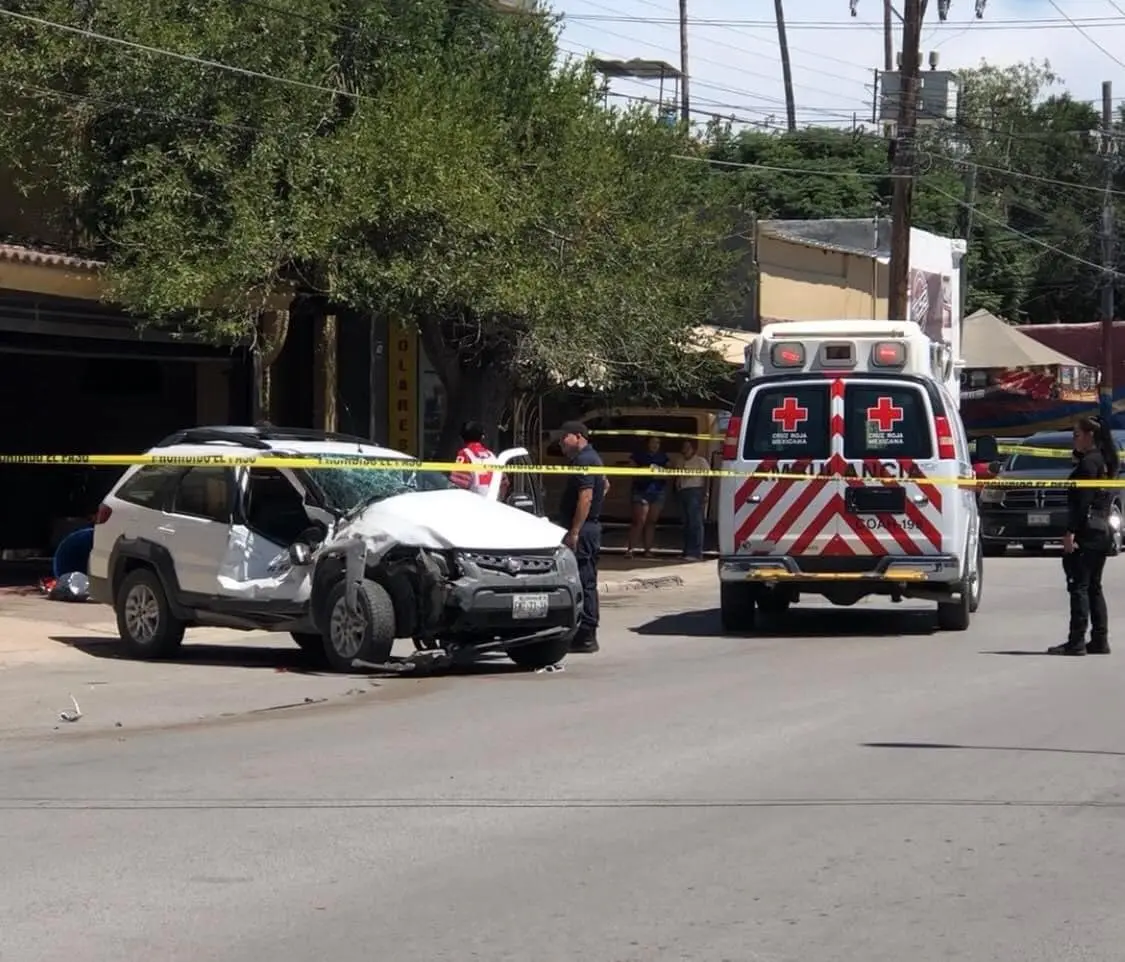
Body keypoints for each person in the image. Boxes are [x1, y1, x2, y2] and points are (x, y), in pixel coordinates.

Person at [1048, 414, 1118, 656]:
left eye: (1076, 435)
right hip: (1102, 529)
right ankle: (1099, 639)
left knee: (1079, 586)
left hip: (1087, 531)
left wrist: (1070, 533)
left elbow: (1082, 503)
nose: (1073, 440)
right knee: (1094, 587)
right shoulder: (1105, 461)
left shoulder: (1089, 464)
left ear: (1090, 436)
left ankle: (1076, 641)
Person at [558, 420, 606, 654]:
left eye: (564, 437)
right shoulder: (592, 457)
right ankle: (583, 631)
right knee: (585, 579)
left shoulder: (585, 460)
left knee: (584, 579)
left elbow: (586, 497)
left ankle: (586, 633)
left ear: (578, 436)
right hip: (590, 526)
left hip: (584, 530)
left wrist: (575, 530)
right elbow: (606, 485)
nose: (560, 442)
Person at [626, 435, 669, 557]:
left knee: (651, 522)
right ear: (648, 443)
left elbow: (669, 472)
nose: (655, 445)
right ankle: (630, 549)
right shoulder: (639, 455)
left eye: (658, 443)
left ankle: (648, 550)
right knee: (639, 521)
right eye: (653, 442)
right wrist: (645, 470)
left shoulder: (663, 457)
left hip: (657, 491)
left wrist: (660, 473)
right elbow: (631, 468)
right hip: (641, 490)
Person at [676, 439, 709, 561]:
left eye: (688, 447)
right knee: (685, 523)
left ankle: (696, 552)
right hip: (683, 491)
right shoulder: (680, 461)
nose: (685, 449)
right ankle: (686, 551)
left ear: (693, 449)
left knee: (695, 523)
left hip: (695, 491)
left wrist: (705, 493)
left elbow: (707, 478)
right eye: (684, 447)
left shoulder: (701, 461)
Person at [450, 421, 496, 496]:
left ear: (462, 437)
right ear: (482, 437)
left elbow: (458, 484)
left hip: (473, 503)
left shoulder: (464, 454)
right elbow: (504, 483)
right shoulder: (492, 456)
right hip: (494, 503)